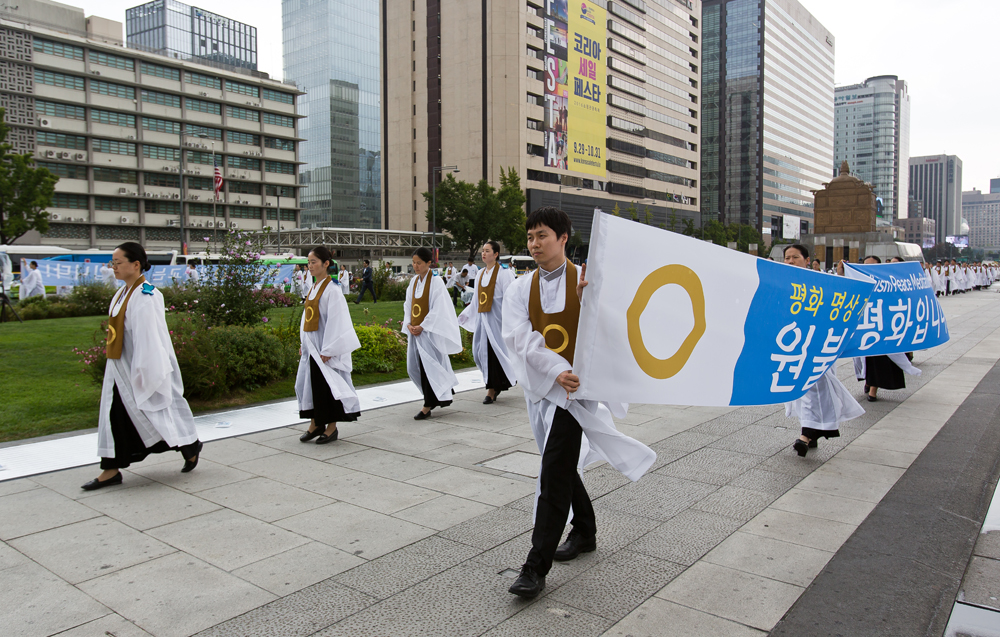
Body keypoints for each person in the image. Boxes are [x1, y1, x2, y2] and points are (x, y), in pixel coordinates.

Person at [501, 207, 656, 599]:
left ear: (564, 237)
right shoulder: (521, 288)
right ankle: (585, 530)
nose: (535, 244)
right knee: (560, 464)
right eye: (531, 237)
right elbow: (520, 338)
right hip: (543, 388)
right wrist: (554, 370)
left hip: (578, 393)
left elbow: (611, 326)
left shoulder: (586, 280)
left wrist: (593, 301)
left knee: (553, 470)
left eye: (543, 236)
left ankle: (535, 567)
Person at [82, 242, 202, 490]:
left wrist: (145, 372)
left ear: (135, 265)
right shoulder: (123, 293)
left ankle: (188, 446)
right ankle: (113, 468)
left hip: (140, 367)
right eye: (112, 263)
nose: (113, 267)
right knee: (120, 414)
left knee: (155, 410)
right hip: (119, 367)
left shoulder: (146, 295)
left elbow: (149, 338)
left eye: (118, 263)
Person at [782, 244, 865, 458]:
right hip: (794, 346)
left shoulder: (821, 283)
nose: (790, 261)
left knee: (815, 388)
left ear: (807, 260)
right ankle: (810, 434)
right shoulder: (780, 282)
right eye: (787, 258)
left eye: (795, 257)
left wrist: (841, 275)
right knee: (802, 391)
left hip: (818, 346)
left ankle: (805, 436)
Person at [297, 247, 361, 444]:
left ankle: (331, 427)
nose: (310, 266)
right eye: (309, 262)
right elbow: (306, 318)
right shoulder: (313, 288)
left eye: (314, 261)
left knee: (328, 387)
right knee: (311, 385)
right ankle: (315, 424)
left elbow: (338, 321)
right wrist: (304, 343)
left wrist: (330, 349)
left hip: (325, 349)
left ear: (326, 264)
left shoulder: (333, 291)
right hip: (313, 347)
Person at [404, 247, 462, 419]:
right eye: (414, 262)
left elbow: (439, 308)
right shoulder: (413, 282)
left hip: (429, 333)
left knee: (429, 366)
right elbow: (408, 305)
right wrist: (408, 323)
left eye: (419, 263)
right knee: (414, 367)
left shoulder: (436, 282)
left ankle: (427, 405)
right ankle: (435, 396)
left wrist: (423, 325)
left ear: (429, 263)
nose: (415, 266)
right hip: (416, 333)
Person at [458, 240, 517, 404]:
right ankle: (495, 384)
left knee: (495, 352)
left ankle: (492, 389)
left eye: (487, 251)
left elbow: (511, 299)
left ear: (496, 254)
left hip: (498, 321)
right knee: (479, 353)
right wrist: (467, 314)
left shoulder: (505, 274)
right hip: (483, 321)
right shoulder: (480, 273)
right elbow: (476, 300)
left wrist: (510, 320)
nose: (483, 253)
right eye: (482, 250)